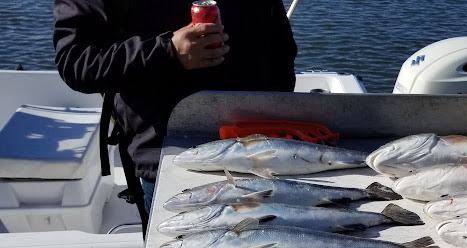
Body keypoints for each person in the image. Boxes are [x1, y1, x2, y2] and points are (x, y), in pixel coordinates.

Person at [52, 0, 297, 216]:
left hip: (262, 148)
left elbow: (280, 46)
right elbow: (76, 61)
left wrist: (282, 118)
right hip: (170, 158)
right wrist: (168, 52)